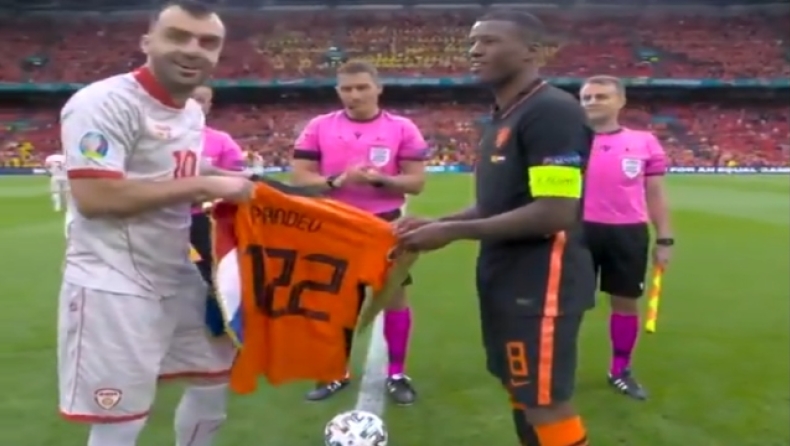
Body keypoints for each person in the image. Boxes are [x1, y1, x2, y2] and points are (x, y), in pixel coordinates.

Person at [58, 2, 252, 446]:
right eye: (178, 36)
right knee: (121, 418)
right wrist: (203, 184)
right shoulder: (103, 103)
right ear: (147, 42)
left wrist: (238, 183)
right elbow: (96, 197)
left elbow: (173, 170)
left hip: (175, 270)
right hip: (112, 282)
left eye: (207, 42)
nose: (193, 49)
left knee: (214, 378)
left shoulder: (190, 112)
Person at [397, 11, 595, 446]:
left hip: (542, 283)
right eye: (473, 42)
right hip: (507, 278)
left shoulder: (551, 111)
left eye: (489, 41)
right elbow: (495, 204)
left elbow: (555, 211)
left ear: (530, 52)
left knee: (544, 401)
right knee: (520, 390)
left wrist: (452, 234)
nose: (475, 50)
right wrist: (441, 222)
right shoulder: (505, 115)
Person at [290, 59, 427, 405]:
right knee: (335, 303)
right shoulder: (319, 126)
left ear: (378, 88)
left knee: (393, 297)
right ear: (338, 91)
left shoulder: (401, 127)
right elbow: (300, 178)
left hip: (384, 225)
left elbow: (416, 182)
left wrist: (382, 180)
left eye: (362, 87)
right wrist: (337, 180)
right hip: (335, 224)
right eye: (347, 88)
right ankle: (335, 372)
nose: (355, 95)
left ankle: (397, 373)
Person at [579, 75, 673, 400]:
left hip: (627, 232)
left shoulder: (644, 142)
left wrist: (664, 239)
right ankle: (557, 369)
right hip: (577, 231)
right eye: (587, 97)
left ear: (620, 101)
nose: (592, 102)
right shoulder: (567, 140)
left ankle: (620, 370)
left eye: (601, 96)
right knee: (567, 303)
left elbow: (655, 193)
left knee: (625, 302)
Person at [189, 84, 245, 295]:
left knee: (214, 276)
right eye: (191, 97)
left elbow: (241, 181)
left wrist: (210, 174)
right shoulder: (156, 138)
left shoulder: (221, 141)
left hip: (204, 220)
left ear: (209, 106)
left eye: (201, 100)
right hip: (161, 219)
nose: (194, 104)